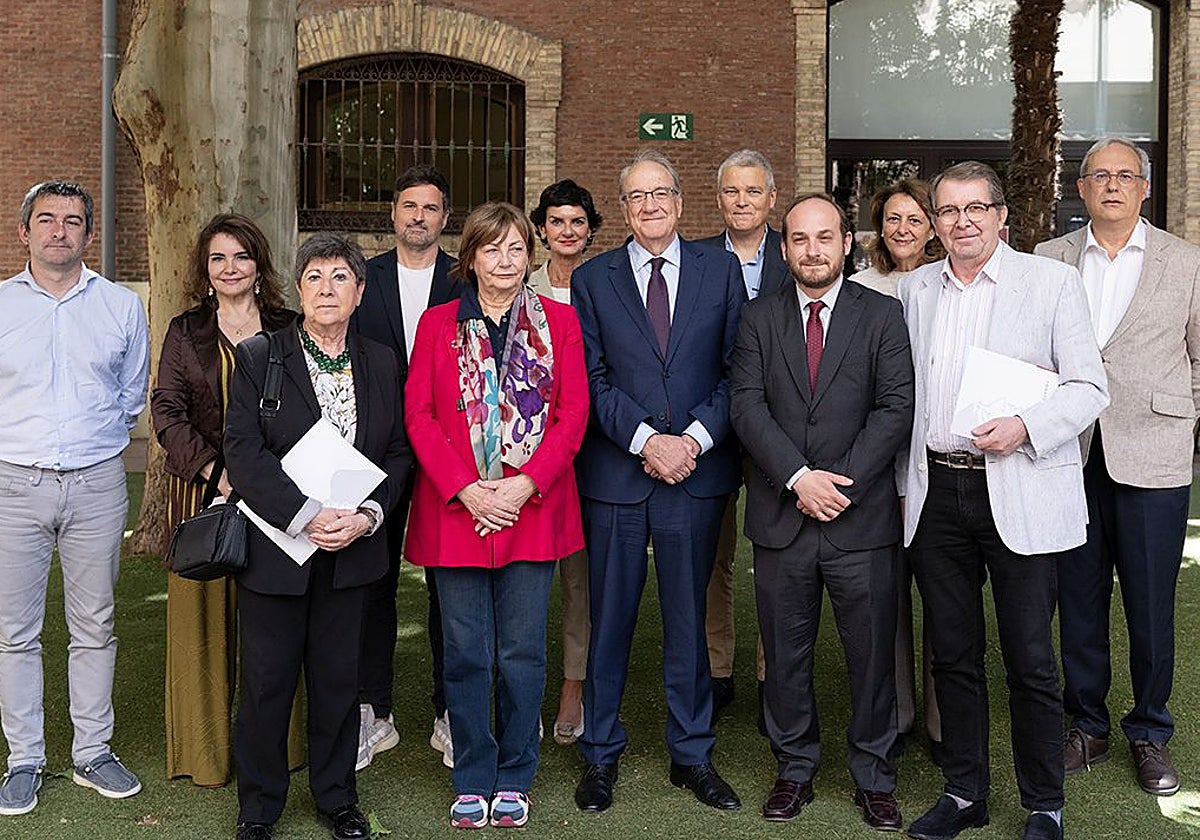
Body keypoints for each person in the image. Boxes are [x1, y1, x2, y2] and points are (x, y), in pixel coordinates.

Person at [898, 162, 1108, 840]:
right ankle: (965, 794)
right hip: (936, 490)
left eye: (975, 209)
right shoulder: (914, 290)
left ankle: (1044, 804)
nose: (962, 222)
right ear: (935, 223)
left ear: (1000, 216)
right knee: (952, 655)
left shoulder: (1051, 283)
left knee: (1031, 659)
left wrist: (1025, 427)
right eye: (948, 211)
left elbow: (1089, 388)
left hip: (1018, 484)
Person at [731, 193, 914, 830]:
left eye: (825, 237)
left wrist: (840, 486)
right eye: (800, 239)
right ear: (784, 249)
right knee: (785, 656)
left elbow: (895, 407)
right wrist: (798, 478)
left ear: (846, 243)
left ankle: (874, 775)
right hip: (782, 518)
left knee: (872, 657)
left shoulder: (882, 314)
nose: (813, 250)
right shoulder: (757, 317)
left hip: (860, 520)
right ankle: (794, 769)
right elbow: (746, 405)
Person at [571, 149, 746, 814]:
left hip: (696, 475)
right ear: (623, 209)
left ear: (680, 201)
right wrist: (648, 441)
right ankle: (599, 754)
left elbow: (737, 371)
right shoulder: (593, 279)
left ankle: (692, 754)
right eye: (637, 197)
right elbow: (591, 380)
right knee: (609, 620)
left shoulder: (720, 270)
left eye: (660, 194)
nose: (649, 206)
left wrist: (691, 442)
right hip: (619, 476)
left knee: (688, 620)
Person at [404, 201, 588, 829]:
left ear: (529, 257)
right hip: (458, 512)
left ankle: (515, 774)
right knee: (465, 653)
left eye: (516, 249)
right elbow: (419, 417)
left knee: (520, 652)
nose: (505, 260)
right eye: (492, 248)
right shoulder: (437, 325)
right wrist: (468, 489)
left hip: (531, 509)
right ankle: (472, 774)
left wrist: (522, 485)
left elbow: (572, 415)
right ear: (471, 258)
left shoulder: (560, 323)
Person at [224, 233, 412, 840]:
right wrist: (303, 514)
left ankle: (337, 798)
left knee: (338, 682)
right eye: (314, 277)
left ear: (360, 291)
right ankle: (259, 808)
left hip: (352, 551)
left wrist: (368, 516)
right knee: (267, 684)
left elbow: (398, 451)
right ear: (298, 289)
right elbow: (243, 452)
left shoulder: (382, 361)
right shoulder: (260, 356)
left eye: (340, 278)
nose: (326, 289)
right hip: (278, 550)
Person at [1035, 137, 1200, 797]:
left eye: (1125, 175)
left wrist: (1183, 422)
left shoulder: (1185, 261)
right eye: (1098, 175)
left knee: (1150, 603)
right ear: (1080, 189)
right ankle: (1088, 725)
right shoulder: (1049, 258)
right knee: (1078, 598)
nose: (1111, 185)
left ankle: (1150, 730)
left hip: (1153, 455)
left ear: (1144, 187)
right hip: (1069, 453)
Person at [0, 180, 149, 816]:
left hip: (96, 484)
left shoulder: (120, 306)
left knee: (95, 624)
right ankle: (24, 758)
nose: (58, 230)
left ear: (89, 234)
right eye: (46, 219)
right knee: (14, 632)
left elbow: (132, 394)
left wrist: (91, 445)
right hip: (14, 485)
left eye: (71, 220)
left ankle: (92, 751)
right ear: (24, 232)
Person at [151, 213, 299, 788]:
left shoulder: (288, 328)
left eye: (241, 256)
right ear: (205, 269)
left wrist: (267, 480)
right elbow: (167, 412)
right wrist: (219, 474)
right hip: (202, 497)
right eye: (218, 258)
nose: (230, 268)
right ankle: (205, 756)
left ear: (259, 265)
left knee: (277, 628)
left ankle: (282, 749)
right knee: (203, 627)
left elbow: (306, 408)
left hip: (279, 497)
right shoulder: (185, 331)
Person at [350, 164, 461, 771]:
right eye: (409, 206)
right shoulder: (361, 278)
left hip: (450, 450)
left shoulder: (465, 278)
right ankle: (374, 711)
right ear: (393, 214)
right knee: (374, 580)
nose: (419, 217)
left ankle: (450, 711)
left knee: (450, 582)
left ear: (446, 218)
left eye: (430, 207)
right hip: (379, 450)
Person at [849, 179, 944, 751]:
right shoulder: (860, 288)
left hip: (934, 461)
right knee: (885, 598)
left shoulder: (946, 283)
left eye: (914, 218)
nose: (902, 229)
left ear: (931, 226)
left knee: (941, 595)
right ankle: (898, 714)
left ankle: (940, 721)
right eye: (892, 219)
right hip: (875, 464)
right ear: (878, 227)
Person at [697, 149, 788, 722]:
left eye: (753, 191)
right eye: (732, 191)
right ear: (718, 198)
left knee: (777, 558)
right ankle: (717, 668)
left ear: (771, 199)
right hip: (715, 428)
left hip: (783, 428)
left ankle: (771, 673)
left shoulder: (797, 252)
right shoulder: (697, 258)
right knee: (715, 557)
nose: (742, 201)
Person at [527, 178, 603, 746]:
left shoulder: (606, 284)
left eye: (578, 222)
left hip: (593, 446)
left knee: (580, 574)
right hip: (528, 450)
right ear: (542, 229)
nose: (567, 231)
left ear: (591, 230)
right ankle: (521, 685)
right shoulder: (518, 284)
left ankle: (573, 683)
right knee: (527, 572)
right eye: (557, 221)